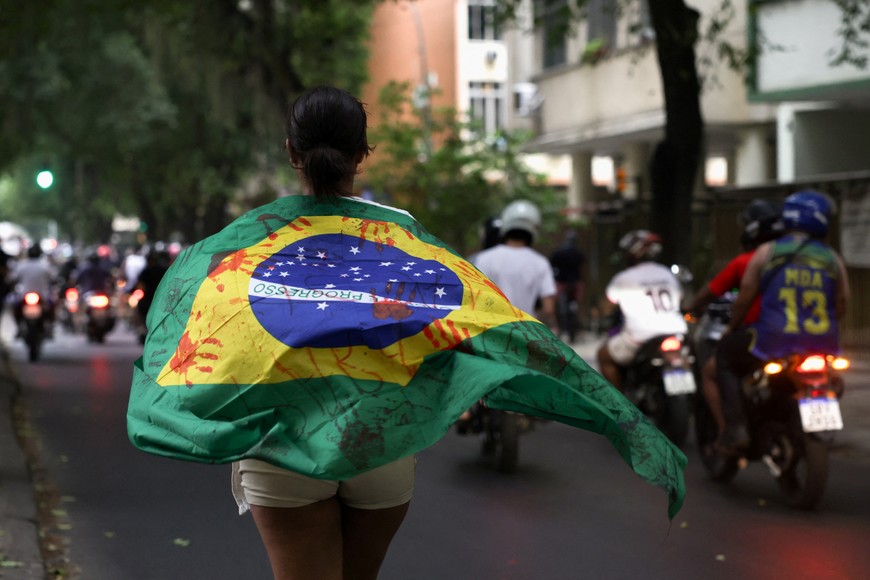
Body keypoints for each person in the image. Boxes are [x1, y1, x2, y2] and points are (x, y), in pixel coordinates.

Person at [128, 86, 687, 580]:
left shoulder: (239, 246)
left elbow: (196, 326)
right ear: (363, 155)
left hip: (279, 442)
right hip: (381, 443)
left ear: (291, 154)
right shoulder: (404, 238)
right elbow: (475, 316)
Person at [715, 190, 850, 452]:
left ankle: (736, 428)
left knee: (725, 357)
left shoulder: (768, 252)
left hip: (774, 340)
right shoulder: (832, 258)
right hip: (823, 343)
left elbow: (744, 298)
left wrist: (731, 328)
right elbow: (842, 302)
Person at [686, 199, 783, 436]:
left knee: (716, 368)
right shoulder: (811, 257)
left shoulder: (751, 260)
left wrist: (730, 327)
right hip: (807, 337)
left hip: (760, 335)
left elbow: (739, 299)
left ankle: (731, 431)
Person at [596, 230, 687, 392]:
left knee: (603, 356)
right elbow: (681, 299)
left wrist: (600, 312)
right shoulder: (667, 273)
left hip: (640, 337)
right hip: (677, 331)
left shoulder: (623, 278)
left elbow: (607, 306)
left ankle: (621, 408)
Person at [473, 199, 557, 327]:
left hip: (490, 333)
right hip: (525, 334)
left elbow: (474, 300)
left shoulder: (483, 259)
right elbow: (549, 308)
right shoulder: (540, 262)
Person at [550, 231, 585, 343]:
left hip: (562, 283)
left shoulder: (559, 253)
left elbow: (552, 267)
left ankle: (559, 329)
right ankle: (575, 329)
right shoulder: (578, 254)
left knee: (557, 306)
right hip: (575, 283)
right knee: (576, 306)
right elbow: (582, 269)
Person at [11, 245, 56, 332]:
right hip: (42, 295)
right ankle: (50, 325)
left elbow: (13, 278)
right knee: (51, 306)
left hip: (25, 294)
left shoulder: (22, 265)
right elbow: (53, 278)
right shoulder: (45, 266)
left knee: (15, 307)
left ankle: (19, 327)